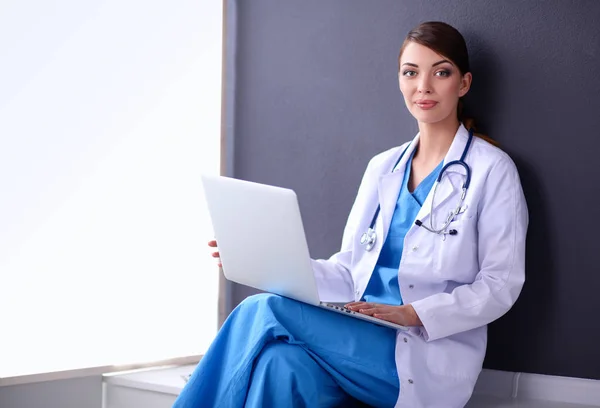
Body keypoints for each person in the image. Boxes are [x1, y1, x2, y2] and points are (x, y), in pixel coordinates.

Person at [173, 21, 528, 408]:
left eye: (440, 72)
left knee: (263, 308)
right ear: (399, 80)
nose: (423, 86)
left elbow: (499, 285)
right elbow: (348, 271)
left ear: (463, 84)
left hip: (418, 353)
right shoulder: (383, 168)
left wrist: (413, 314)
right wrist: (261, 262)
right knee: (280, 364)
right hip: (356, 331)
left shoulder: (492, 171)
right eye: (411, 72)